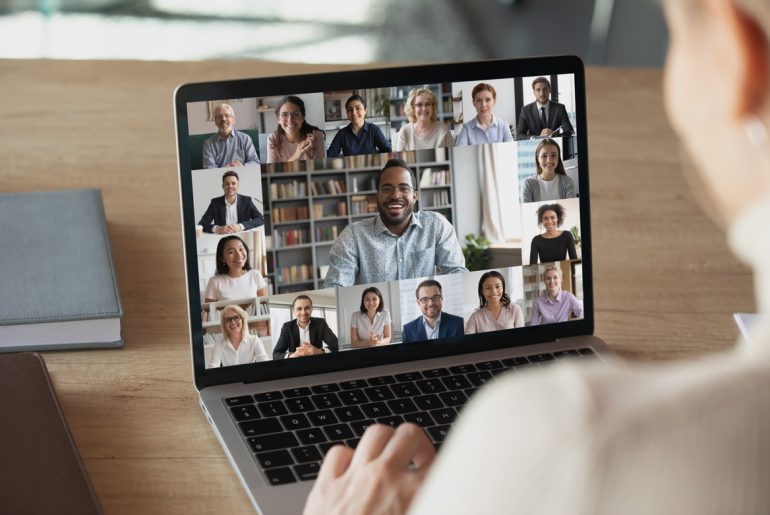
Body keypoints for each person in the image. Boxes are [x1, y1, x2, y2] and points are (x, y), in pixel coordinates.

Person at [305, 2, 770, 513]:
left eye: (677, 37)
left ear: (732, 57)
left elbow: (457, 276)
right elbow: (339, 294)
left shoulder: (565, 436)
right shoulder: (354, 237)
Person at [323, 158, 467, 288]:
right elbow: (335, 287)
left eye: (404, 188)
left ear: (414, 196)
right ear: (377, 197)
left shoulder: (436, 225)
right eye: (387, 189)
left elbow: (457, 273)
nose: (395, 195)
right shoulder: (353, 236)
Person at [204, 235, 268, 302]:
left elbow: (264, 304)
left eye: (241, 249)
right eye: (231, 252)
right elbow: (209, 308)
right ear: (222, 258)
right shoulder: (214, 282)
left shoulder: (255, 275)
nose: (239, 255)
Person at [197, 171, 264, 234]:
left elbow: (260, 219)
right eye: (227, 184)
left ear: (238, 185)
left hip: (243, 236)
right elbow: (202, 224)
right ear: (222, 186)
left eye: (233, 183)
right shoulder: (215, 203)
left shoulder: (247, 201)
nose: (230, 186)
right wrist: (217, 229)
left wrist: (240, 226)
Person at [273, 295, 339, 359]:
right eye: (299, 309)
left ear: (311, 309)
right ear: (294, 311)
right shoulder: (287, 327)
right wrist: (293, 355)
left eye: (307, 308)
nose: (303, 312)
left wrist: (319, 351)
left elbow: (337, 344)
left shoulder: (320, 323)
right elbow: (276, 354)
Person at [326, 94, 392, 157]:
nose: (354, 113)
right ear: (347, 113)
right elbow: (330, 155)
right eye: (350, 109)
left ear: (365, 110)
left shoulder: (374, 130)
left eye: (358, 108)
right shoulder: (342, 134)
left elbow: (388, 151)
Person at [267, 96, 325, 163]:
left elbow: (320, 168)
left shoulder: (316, 136)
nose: (290, 120)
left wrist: (307, 155)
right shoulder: (273, 139)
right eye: (284, 115)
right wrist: (296, 155)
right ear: (278, 119)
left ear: (303, 118)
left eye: (296, 114)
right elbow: (271, 169)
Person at [201, 103, 260, 169]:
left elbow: (255, 162)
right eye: (219, 116)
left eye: (227, 115)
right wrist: (224, 169)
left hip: (242, 173)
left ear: (233, 120)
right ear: (215, 121)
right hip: (219, 175)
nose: (223, 119)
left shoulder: (245, 139)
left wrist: (242, 166)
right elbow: (208, 167)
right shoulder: (208, 144)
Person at [520, 138, 577, 202]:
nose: (549, 161)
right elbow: (527, 208)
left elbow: (572, 207)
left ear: (558, 158)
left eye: (553, 155)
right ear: (538, 159)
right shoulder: (528, 184)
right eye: (544, 156)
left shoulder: (567, 182)